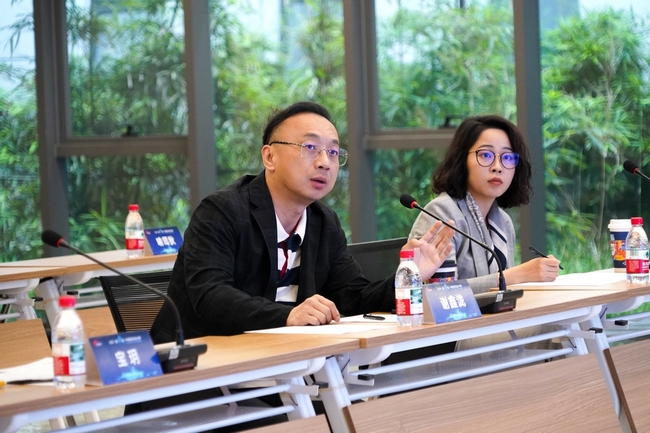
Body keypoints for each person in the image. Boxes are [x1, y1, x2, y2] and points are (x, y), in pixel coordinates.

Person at [151, 101, 454, 343]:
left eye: (333, 152)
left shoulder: (323, 222)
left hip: (282, 358)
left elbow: (351, 297)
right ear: (269, 157)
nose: (324, 162)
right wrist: (288, 315)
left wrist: (410, 276)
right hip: (197, 363)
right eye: (310, 147)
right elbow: (211, 296)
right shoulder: (222, 211)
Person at [408, 114, 561, 293]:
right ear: (461, 160)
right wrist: (519, 274)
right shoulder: (441, 212)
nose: (498, 167)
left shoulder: (503, 221)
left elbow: (503, 296)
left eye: (507, 157)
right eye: (486, 155)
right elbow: (439, 293)